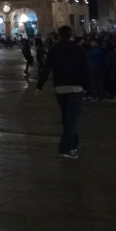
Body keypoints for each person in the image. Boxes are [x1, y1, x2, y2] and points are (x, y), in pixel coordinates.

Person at [36, 25, 91, 159]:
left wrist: (39, 86)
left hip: (59, 88)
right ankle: (65, 149)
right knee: (71, 119)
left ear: (59, 35)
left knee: (68, 117)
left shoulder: (54, 49)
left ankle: (73, 145)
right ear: (71, 34)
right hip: (76, 87)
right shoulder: (78, 49)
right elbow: (86, 69)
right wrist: (89, 88)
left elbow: (46, 68)